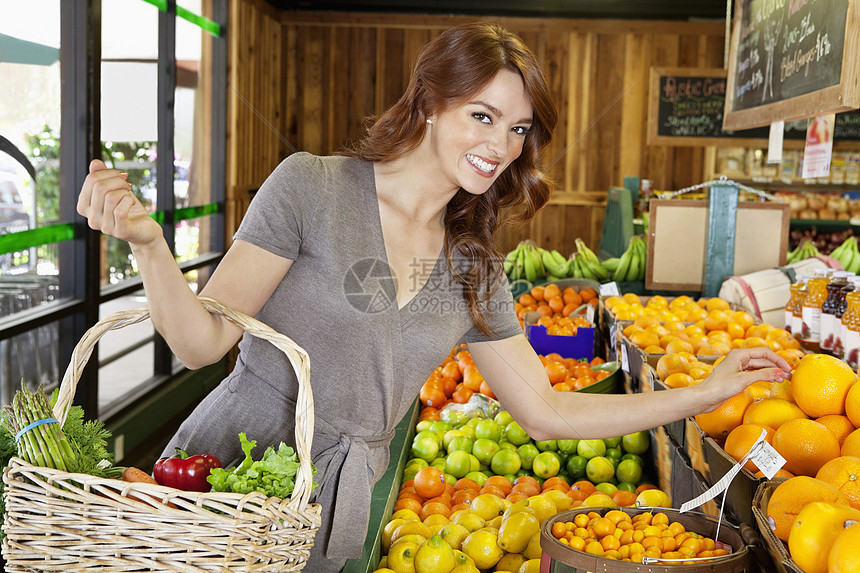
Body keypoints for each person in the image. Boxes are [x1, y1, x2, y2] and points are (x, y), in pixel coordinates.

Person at [77, 22, 792, 572]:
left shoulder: (474, 270)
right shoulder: (312, 188)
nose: (502, 145)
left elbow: (546, 409)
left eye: (517, 129)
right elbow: (202, 342)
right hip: (231, 473)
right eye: (483, 117)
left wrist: (699, 395)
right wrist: (148, 243)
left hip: (337, 503)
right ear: (428, 103)